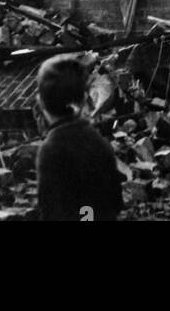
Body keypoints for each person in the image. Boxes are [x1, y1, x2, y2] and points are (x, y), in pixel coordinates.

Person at [36, 55, 123, 221]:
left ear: (41, 102)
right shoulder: (98, 141)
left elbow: (50, 210)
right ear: (84, 99)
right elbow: (115, 201)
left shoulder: (51, 148)